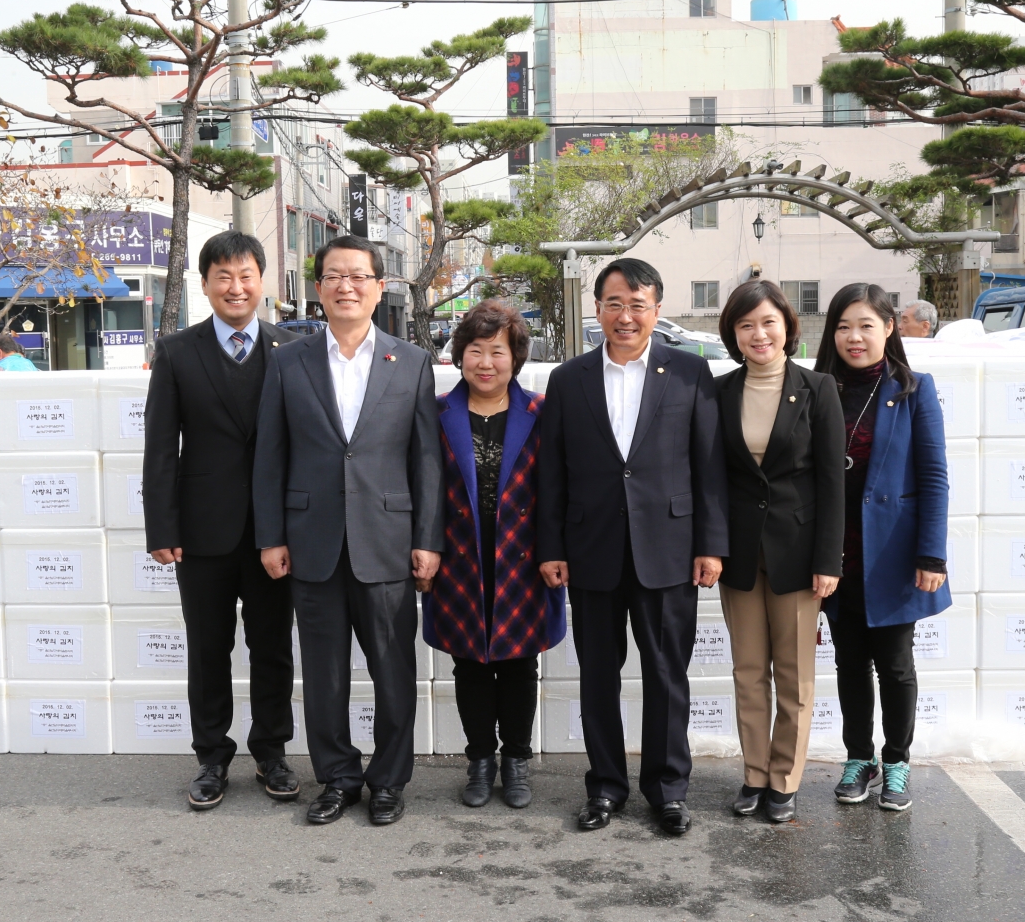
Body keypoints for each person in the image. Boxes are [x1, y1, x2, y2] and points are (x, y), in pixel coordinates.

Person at [254, 234, 442, 828]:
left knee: (393, 670)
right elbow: (270, 456)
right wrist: (271, 536)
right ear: (318, 288)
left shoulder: (410, 361)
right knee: (325, 673)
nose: (346, 286)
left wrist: (428, 539)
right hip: (311, 542)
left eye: (358, 276)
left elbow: (426, 459)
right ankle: (337, 776)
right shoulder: (288, 361)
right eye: (334, 276)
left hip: (387, 542)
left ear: (379, 286)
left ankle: (388, 779)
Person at [537, 257, 727, 837]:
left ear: (657, 310)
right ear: (597, 310)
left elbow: (709, 466)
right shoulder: (568, 380)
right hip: (591, 548)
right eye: (614, 303)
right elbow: (552, 474)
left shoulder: (691, 373)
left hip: (669, 548)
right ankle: (606, 788)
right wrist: (551, 546)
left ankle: (668, 791)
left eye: (637, 304)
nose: (625, 315)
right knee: (598, 674)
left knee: (667, 673)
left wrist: (711, 545)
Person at [143, 231, 302, 811]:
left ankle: (272, 752)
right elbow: (161, 446)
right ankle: (211, 757)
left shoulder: (291, 350)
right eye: (223, 277)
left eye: (246, 276)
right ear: (205, 284)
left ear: (263, 281)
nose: (236, 287)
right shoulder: (179, 353)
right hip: (202, 531)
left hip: (272, 534)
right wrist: (162, 528)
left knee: (272, 647)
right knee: (208, 648)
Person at [422, 299, 564, 810]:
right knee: (470, 666)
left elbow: (558, 490)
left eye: (497, 352)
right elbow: (425, 486)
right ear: (460, 356)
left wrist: (555, 550)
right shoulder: (438, 413)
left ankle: (517, 761)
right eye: (475, 351)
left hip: (524, 559)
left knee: (521, 665)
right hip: (460, 557)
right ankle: (480, 760)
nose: (486, 363)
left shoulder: (542, 413)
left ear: (516, 357)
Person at [814, 283, 949, 813]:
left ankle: (896, 761)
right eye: (844, 326)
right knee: (849, 662)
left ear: (889, 328)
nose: (854, 337)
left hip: (893, 550)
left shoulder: (914, 388)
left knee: (894, 663)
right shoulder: (817, 387)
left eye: (866, 325)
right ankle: (858, 757)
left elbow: (934, 475)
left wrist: (930, 555)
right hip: (835, 551)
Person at [713, 279, 844, 823]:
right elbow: (713, 478)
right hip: (739, 555)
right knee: (748, 670)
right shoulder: (719, 393)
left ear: (788, 327)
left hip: (798, 553)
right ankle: (754, 774)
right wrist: (710, 546)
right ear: (734, 335)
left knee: (793, 675)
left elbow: (833, 481)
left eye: (768, 322)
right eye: (746, 325)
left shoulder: (818, 389)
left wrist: (828, 561)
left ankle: (785, 781)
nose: (758, 334)